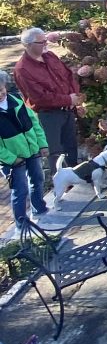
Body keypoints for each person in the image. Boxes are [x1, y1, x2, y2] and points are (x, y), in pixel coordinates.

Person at [14, 26, 81, 168]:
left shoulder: (50, 56)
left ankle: (76, 181)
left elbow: (69, 75)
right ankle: (63, 187)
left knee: (71, 147)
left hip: (67, 110)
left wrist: (73, 96)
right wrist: (68, 99)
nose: (46, 44)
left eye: (45, 40)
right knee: (55, 152)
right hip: (49, 115)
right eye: (41, 42)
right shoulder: (22, 69)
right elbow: (40, 97)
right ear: (28, 45)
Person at [0, 70, 50, 228]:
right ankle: (21, 224)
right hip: (14, 160)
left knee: (37, 180)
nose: (0, 95)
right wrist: (11, 159)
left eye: (1, 90)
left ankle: (39, 209)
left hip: (32, 150)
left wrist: (42, 144)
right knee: (19, 191)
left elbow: (33, 122)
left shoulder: (16, 100)